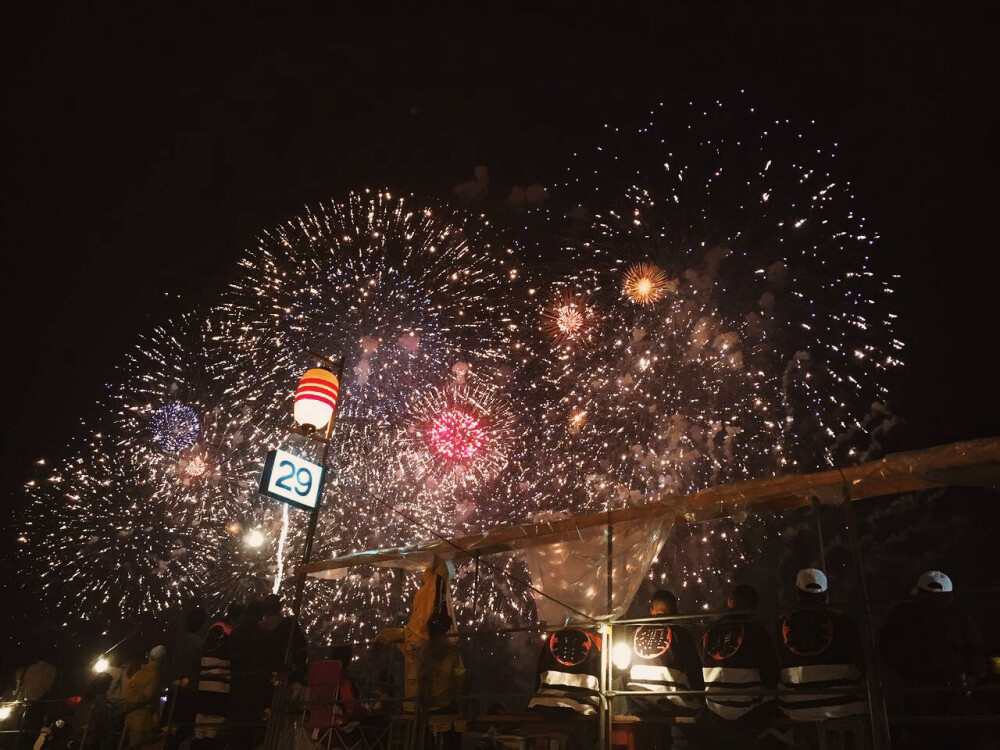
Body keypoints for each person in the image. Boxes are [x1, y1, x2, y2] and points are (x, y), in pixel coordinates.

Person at [880, 570, 989, 750]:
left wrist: (907, 672)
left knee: (922, 738)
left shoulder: (900, 615)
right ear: (949, 596)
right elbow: (977, 656)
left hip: (916, 692)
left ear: (919, 592)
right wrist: (970, 680)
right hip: (954, 691)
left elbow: (887, 651)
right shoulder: (960, 617)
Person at [774, 569, 867, 748]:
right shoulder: (843, 619)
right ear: (824, 594)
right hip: (846, 704)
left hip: (796, 706)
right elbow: (860, 659)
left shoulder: (781, 622)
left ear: (797, 592)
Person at [698, 584, 778, 750]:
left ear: (729, 602)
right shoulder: (757, 630)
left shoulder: (710, 630)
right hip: (746, 711)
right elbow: (771, 674)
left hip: (713, 706)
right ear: (754, 608)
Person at [625, 590, 703, 749]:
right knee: (701, 719)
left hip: (639, 702)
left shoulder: (634, 633)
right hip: (671, 703)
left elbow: (624, 671)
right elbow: (695, 671)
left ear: (652, 610)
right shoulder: (680, 634)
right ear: (675, 610)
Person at [192, 603, 244, 747]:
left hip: (204, 679)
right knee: (214, 721)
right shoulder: (229, 631)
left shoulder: (215, 627)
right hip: (219, 680)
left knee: (201, 719)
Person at [162, 608, 206, 750]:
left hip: (174, 689)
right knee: (183, 730)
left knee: (169, 731)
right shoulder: (199, 644)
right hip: (188, 692)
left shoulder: (175, 639)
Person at [227, 601, 268, 750]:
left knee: (237, 728)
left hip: (237, 684)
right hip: (254, 686)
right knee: (251, 729)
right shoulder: (262, 634)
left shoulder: (236, 633)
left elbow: (230, 655)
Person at [121, 649, 162, 749]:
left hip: (130, 715)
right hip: (142, 719)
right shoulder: (151, 674)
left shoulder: (133, 673)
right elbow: (150, 696)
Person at [17, 658, 57, 750]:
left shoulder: (31, 668)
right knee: (36, 733)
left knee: (26, 733)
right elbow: (48, 685)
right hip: (41, 702)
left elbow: (24, 686)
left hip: (29, 704)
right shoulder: (50, 668)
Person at [69, 673, 114, 750]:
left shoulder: (87, 695)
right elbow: (100, 719)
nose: (110, 687)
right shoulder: (101, 700)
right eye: (109, 684)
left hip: (77, 731)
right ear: (104, 685)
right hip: (88, 735)